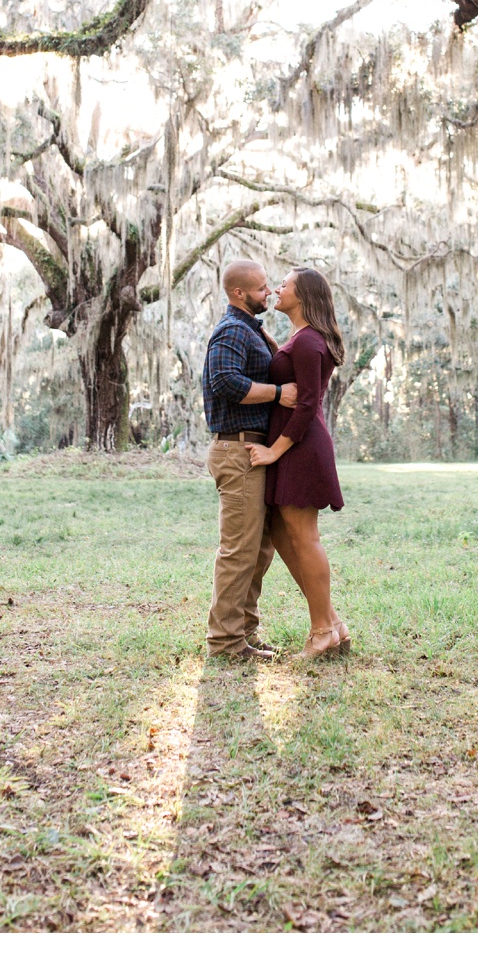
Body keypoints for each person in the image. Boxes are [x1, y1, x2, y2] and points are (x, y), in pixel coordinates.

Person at [248, 266, 349, 660]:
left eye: (284, 285)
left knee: (305, 537)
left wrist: (275, 451)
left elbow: (307, 404)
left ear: (303, 295)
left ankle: (322, 631)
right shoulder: (303, 339)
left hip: (300, 449)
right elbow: (288, 365)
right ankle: (333, 623)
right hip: (296, 448)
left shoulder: (309, 342)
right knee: (286, 534)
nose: (276, 289)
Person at [200, 258, 296, 663]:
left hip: (252, 451)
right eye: (260, 289)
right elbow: (222, 381)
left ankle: (244, 633)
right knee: (239, 549)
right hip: (236, 449)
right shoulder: (232, 331)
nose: (269, 292)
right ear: (238, 293)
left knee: (259, 549)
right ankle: (224, 643)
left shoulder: (249, 329)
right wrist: (277, 394)